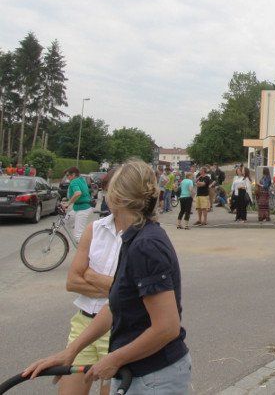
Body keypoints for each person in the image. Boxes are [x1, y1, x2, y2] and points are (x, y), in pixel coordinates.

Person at [24, 159, 191, 393]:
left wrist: (114, 359)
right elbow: (115, 305)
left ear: (116, 198)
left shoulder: (146, 245)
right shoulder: (133, 236)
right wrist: (70, 352)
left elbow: (167, 327)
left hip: (154, 377)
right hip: (139, 372)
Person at [55, 168, 122, 395]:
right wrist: (114, 287)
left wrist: (91, 275)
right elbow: (72, 282)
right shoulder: (96, 229)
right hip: (83, 322)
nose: (112, 196)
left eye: (118, 190)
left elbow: (132, 292)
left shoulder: (141, 237)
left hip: (117, 329)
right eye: (108, 190)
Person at [63, 167, 93, 242]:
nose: (67, 177)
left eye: (68, 175)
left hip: (83, 209)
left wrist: (68, 203)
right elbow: (81, 193)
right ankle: (82, 234)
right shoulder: (81, 179)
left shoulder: (74, 181)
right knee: (66, 221)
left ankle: (85, 248)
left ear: (73, 174)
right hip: (78, 208)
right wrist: (67, 200)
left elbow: (78, 193)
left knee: (78, 236)